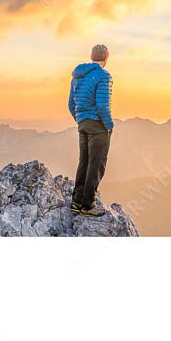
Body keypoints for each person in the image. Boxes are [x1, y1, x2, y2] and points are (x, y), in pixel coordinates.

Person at [68, 44, 115, 216]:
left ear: (92, 56)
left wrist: (81, 120)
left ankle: (76, 202)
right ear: (106, 58)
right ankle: (88, 206)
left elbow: (71, 105)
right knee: (96, 165)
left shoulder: (77, 76)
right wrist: (109, 126)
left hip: (83, 125)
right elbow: (103, 105)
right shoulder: (104, 76)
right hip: (98, 126)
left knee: (84, 162)